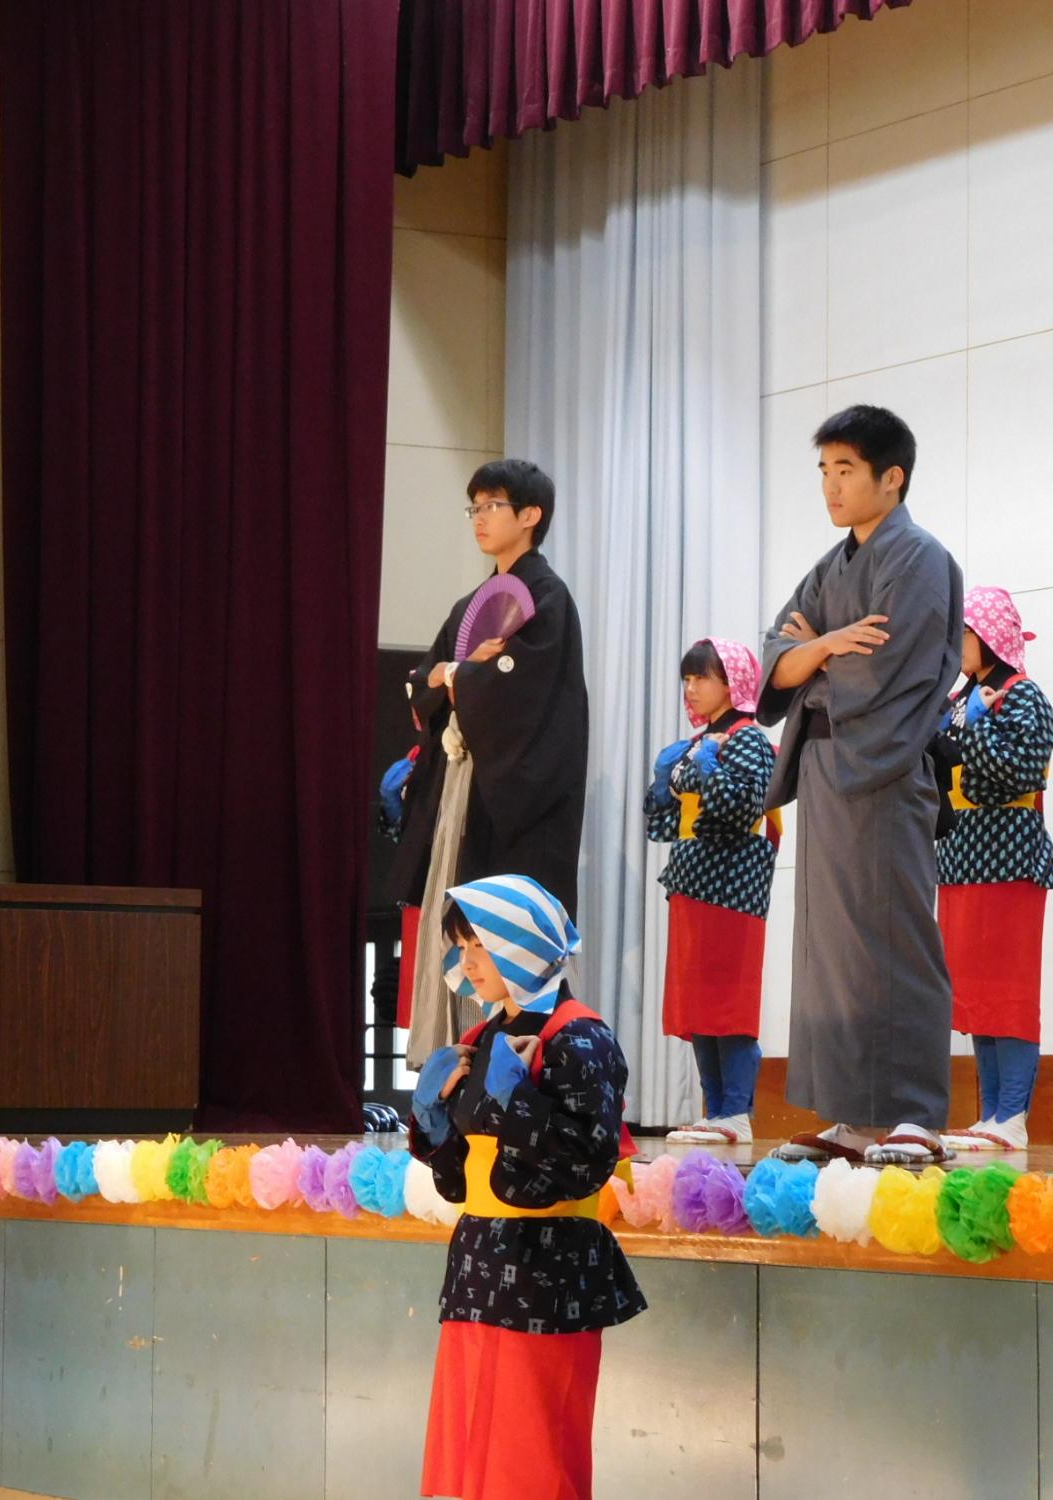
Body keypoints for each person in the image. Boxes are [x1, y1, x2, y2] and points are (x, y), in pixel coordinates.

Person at [758, 405, 963, 1166]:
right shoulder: (832, 564)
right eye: (824, 470)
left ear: (892, 477)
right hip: (827, 771)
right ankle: (852, 1115)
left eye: (846, 470)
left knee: (895, 939)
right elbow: (775, 650)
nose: (831, 486)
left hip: (881, 767)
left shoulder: (918, 560)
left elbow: (885, 670)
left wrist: (818, 657)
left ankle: (912, 1112)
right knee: (832, 948)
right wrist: (819, 650)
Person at [407, 875, 645, 1500]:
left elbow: (586, 1160)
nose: (468, 962)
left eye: (479, 945)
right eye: (461, 948)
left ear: (519, 943)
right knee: (464, 1462)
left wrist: (507, 1106)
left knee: (534, 1463)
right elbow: (461, 1181)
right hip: (477, 1272)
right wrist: (433, 1127)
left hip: (549, 1280)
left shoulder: (582, 1037)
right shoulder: (478, 1040)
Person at [387, 459, 590, 1065]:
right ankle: (460, 1067)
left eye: (491, 506)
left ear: (530, 516)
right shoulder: (471, 604)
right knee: (463, 932)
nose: (478, 518)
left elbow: (520, 696)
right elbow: (425, 680)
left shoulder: (548, 600)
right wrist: (457, 674)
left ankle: (543, 1070)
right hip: (465, 788)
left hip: (515, 800)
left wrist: (465, 678)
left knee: (513, 941)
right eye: (473, 507)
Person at [934, 588, 1053, 1153]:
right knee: (975, 994)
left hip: (1010, 860)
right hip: (961, 861)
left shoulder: (1024, 697)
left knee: (1008, 991)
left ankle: (1012, 1115)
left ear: (986, 637)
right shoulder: (962, 699)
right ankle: (988, 1115)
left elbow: (1017, 772)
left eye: (961, 634)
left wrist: (978, 728)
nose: (954, 645)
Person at [645, 638, 779, 1145]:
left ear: (732, 683)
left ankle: (737, 1112)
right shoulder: (698, 741)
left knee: (729, 998)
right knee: (699, 1000)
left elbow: (743, 810)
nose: (692, 688)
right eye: (688, 678)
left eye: (702, 677)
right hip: (691, 884)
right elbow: (664, 825)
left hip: (733, 886)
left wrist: (706, 776)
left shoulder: (749, 739)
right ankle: (715, 1110)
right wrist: (662, 786)